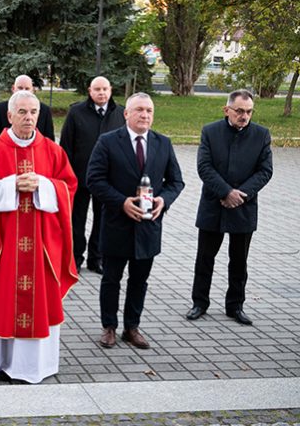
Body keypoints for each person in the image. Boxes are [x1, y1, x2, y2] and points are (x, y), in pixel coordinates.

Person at [0, 90, 78, 383]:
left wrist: (44, 186)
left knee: (38, 299)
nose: (28, 118)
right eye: (22, 112)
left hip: (40, 247)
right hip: (2, 247)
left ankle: (31, 367)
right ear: (9, 116)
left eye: (33, 112)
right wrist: (10, 186)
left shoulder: (53, 151)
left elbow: (69, 188)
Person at [86, 92, 184, 350]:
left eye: (149, 111)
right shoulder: (108, 142)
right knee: (111, 279)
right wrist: (121, 202)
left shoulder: (163, 143)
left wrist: (164, 200)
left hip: (148, 226)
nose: (145, 115)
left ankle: (132, 327)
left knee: (139, 280)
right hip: (117, 224)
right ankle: (109, 326)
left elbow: (176, 181)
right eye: (139, 110)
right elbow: (94, 179)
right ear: (126, 114)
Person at [186, 90, 273, 326]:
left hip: (243, 207)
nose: (244, 116)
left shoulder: (261, 135)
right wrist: (226, 192)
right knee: (205, 258)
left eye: (249, 111)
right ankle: (199, 302)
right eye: (240, 111)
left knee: (239, 261)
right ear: (227, 110)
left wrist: (240, 195)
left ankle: (235, 305)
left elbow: (265, 171)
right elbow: (204, 167)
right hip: (214, 204)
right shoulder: (210, 132)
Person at [60, 76, 125, 274]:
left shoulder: (121, 113)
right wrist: (66, 175)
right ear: (89, 91)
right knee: (76, 221)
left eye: (105, 89)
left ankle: (96, 259)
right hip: (79, 177)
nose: (101, 93)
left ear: (111, 90)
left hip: (107, 180)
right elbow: (66, 146)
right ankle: (75, 258)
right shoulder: (76, 112)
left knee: (103, 220)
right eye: (97, 89)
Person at [0, 75, 54, 140]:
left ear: (32, 90)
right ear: (13, 89)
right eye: (20, 88)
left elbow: (49, 138)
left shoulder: (44, 110)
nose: (23, 91)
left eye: (27, 89)